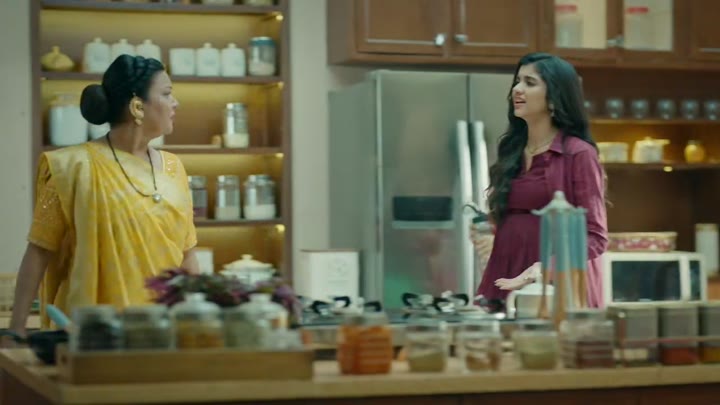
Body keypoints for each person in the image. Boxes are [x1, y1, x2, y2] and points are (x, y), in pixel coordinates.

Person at [7, 55, 199, 338]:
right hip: (92, 332)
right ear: (137, 106)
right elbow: (39, 250)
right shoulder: (73, 167)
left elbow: (187, 254)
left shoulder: (174, 167)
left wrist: (200, 316)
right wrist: (16, 328)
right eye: (167, 94)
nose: (175, 103)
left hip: (161, 330)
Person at [472, 52, 608, 310]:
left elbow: (596, 237)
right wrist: (488, 230)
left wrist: (544, 267)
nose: (517, 89)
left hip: (557, 282)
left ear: (555, 96)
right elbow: (515, 218)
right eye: (517, 81)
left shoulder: (579, 154)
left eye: (530, 82)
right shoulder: (512, 150)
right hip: (506, 273)